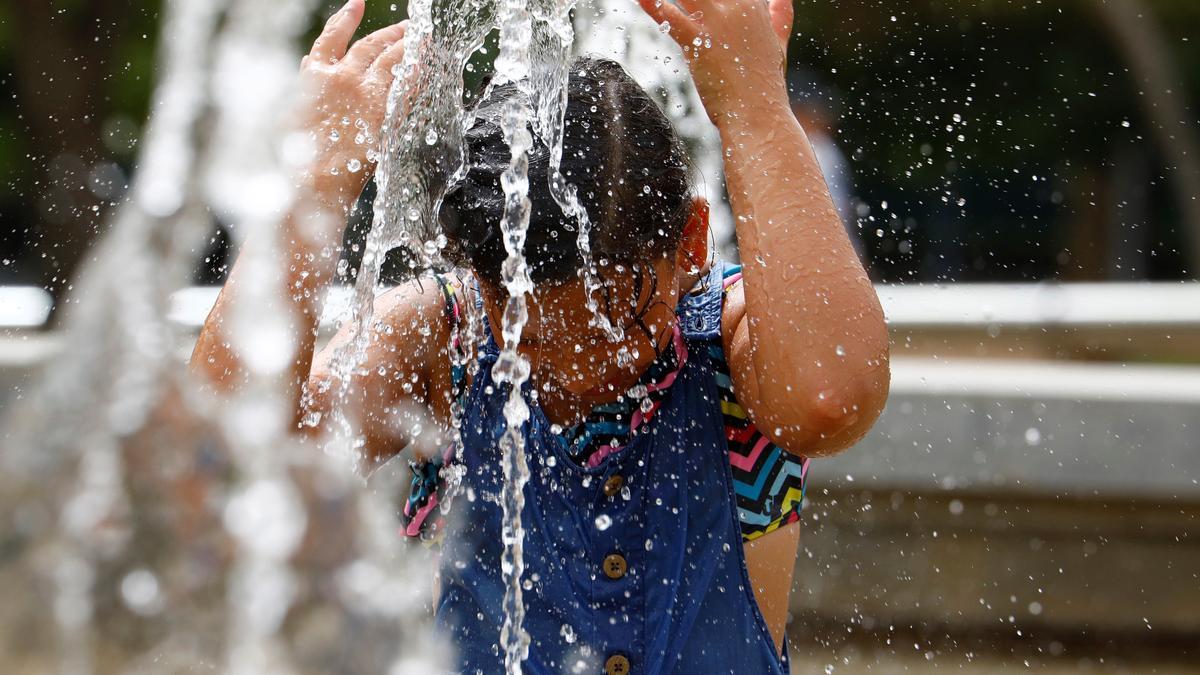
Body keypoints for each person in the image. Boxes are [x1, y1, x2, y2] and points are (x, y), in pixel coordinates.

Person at [191, 0, 890, 672]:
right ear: (476, 278)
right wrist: (311, 191)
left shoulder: (739, 340)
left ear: (691, 246)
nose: (578, 371)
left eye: (617, 323)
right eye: (529, 339)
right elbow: (225, 469)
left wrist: (755, 109)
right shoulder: (445, 337)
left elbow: (831, 396)